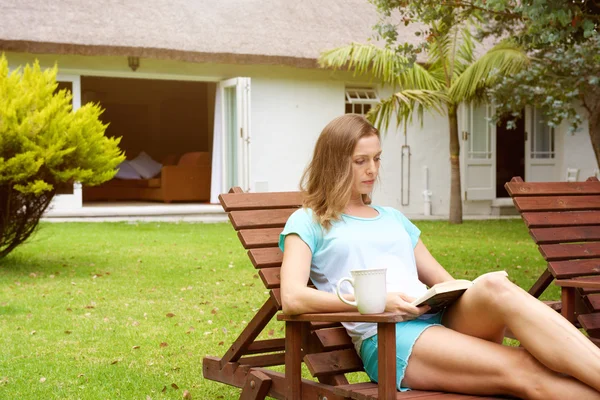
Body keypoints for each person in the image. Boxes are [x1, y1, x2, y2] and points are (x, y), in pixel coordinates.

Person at [278, 114, 600, 400]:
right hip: (390, 334)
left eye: (377, 158)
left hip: (438, 318)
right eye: (360, 161)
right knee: (526, 367)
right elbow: (292, 298)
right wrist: (376, 301)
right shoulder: (309, 220)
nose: (373, 169)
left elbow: (445, 281)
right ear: (334, 162)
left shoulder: (391, 217)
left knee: (493, 286)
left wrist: (458, 297)